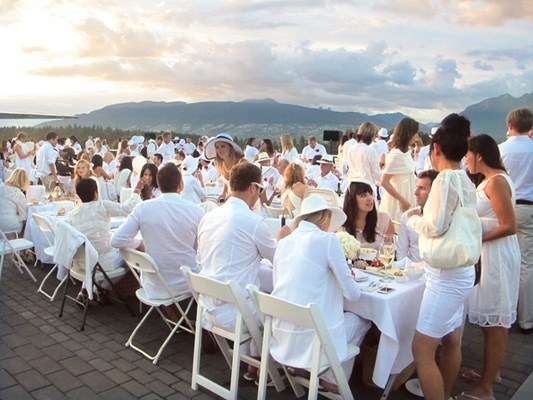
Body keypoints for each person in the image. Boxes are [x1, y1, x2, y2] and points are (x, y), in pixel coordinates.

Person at [406, 114, 477, 400]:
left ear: (435, 149)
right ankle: (445, 393)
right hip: (460, 272)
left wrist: (411, 219)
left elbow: (435, 225)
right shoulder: (465, 178)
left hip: (446, 276)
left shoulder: (446, 179)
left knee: (421, 349)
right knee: (451, 340)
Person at [271, 195, 371, 392]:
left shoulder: (284, 242)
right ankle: (332, 380)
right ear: (325, 218)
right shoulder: (327, 241)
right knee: (363, 321)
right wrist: (342, 276)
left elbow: (281, 284)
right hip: (313, 338)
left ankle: (306, 369)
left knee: (330, 317)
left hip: (283, 337)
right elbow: (353, 295)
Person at [457, 134, 520, 400]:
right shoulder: (490, 181)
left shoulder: (495, 183)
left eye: (467, 156)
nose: (465, 161)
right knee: (490, 319)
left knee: (495, 323)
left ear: (478, 155)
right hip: (488, 255)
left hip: (496, 256)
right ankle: (489, 372)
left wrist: (476, 237)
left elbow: (508, 225)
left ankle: (486, 389)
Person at [197, 162, 275, 338]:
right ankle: (263, 361)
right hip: (238, 313)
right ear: (253, 188)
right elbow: (278, 259)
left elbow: (199, 259)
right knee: (282, 308)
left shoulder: (208, 217)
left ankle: (254, 355)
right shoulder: (254, 222)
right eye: (261, 189)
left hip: (207, 308)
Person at [111, 163, 204, 299]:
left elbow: (116, 240)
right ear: (181, 185)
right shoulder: (197, 211)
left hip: (154, 285)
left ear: (159, 185)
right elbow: (200, 249)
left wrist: (138, 244)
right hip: (187, 283)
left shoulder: (142, 208)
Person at [70, 178, 142, 298]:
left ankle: (86, 289)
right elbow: (127, 209)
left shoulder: (74, 212)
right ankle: (102, 289)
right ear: (96, 193)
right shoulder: (102, 205)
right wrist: (137, 190)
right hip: (102, 263)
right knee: (130, 256)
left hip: (82, 262)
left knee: (93, 249)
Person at [498, 108, 533, 335]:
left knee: (503, 260)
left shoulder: (500, 149)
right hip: (528, 208)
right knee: (527, 263)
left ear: (509, 123)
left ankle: (503, 314)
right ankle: (526, 319)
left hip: (503, 207)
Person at [380, 117, 419, 222]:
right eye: (414, 133)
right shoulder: (395, 154)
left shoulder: (407, 152)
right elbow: (384, 181)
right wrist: (401, 200)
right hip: (398, 201)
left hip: (409, 195)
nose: (416, 136)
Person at [396, 170, 438, 262]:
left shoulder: (442, 219)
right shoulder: (407, 216)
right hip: (412, 271)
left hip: (436, 272)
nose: (416, 192)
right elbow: (401, 252)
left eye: (422, 188)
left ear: (435, 191)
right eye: (417, 187)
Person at [342, 177, 394, 249]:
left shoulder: (384, 219)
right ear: (352, 199)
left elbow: (390, 250)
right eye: (363, 195)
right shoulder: (341, 222)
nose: (370, 198)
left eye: (371, 194)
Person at [204, 133, 243, 201]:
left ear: (230, 148)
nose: (219, 150)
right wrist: (223, 193)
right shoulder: (221, 164)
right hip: (231, 200)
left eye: (223, 146)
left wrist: (230, 196)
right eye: (217, 147)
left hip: (243, 201)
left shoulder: (242, 163)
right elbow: (226, 182)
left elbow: (245, 187)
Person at [346, 122, 382, 189]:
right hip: (366, 187)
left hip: (352, 186)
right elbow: (377, 173)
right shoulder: (371, 151)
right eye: (375, 136)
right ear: (371, 136)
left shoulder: (351, 149)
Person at [0, 168, 30, 235]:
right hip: (9, 225)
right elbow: (24, 216)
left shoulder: (1, 186)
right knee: (27, 223)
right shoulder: (17, 193)